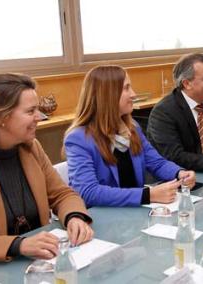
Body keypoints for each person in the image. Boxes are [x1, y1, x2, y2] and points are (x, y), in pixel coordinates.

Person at [0, 73, 93, 261]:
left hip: (41, 262)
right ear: (0, 117)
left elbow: (62, 195)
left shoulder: (31, 148)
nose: (39, 117)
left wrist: (74, 217)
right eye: (30, 111)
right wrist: (18, 244)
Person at [64, 65, 196, 207]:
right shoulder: (78, 139)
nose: (133, 94)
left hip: (134, 213)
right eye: (126, 88)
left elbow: (157, 163)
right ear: (108, 95)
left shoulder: (132, 128)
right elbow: (89, 192)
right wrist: (147, 195)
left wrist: (179, 173)